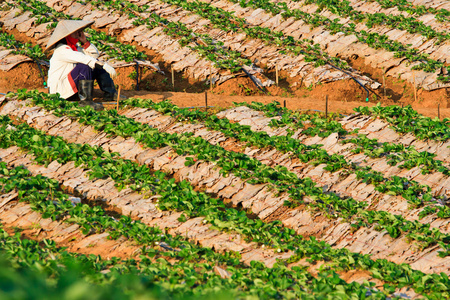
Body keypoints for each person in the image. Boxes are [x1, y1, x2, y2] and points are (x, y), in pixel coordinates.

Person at [45, 20, 119, 110]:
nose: (78, 33)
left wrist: (85, 42)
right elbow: (84, 59)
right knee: (85, 66)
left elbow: (94, 56)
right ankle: (86, 102)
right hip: (60, 91)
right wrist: (105, 66)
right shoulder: (62, 50)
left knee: (95, 63)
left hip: (70, 89)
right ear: (67, 35)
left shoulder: (74, 48)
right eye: (75, 32)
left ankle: (110, 93)